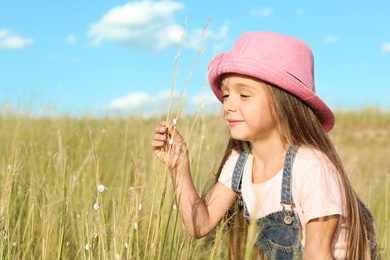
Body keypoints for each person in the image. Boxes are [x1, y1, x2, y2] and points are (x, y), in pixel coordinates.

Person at [151, 32, 379, 259]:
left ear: (283, 101)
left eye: (244, 95)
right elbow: (200, 224)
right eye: (227, 94)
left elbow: (317, 254)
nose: (228, 105)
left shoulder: (311, 167)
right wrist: (179, 167)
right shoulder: (241, 162)